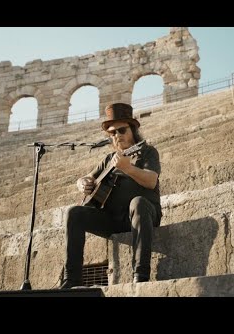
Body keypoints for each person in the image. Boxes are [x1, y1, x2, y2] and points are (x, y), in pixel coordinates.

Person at [61, 103, 162, 288]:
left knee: (138, 202)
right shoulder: (108, 160)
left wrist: (128, 168)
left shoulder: (147, 152)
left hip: (143, 216)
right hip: (112, 221)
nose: (117, 135)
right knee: (73, 213)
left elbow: (151, 181)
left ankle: (140, 275)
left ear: (133, 129)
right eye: (112, 133)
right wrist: (82, 183)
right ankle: (71, 280)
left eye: (121, 130)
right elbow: (85, 178)